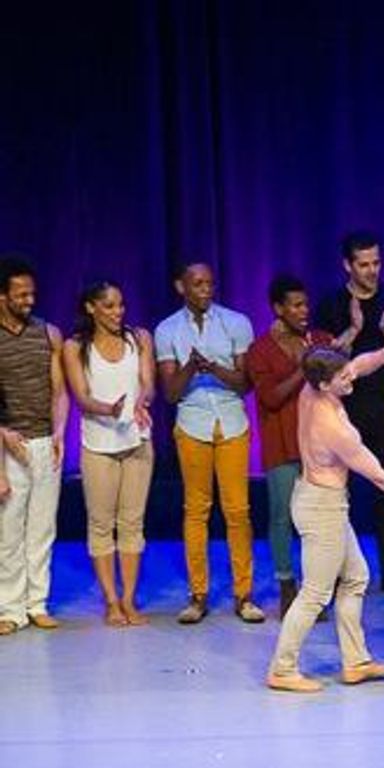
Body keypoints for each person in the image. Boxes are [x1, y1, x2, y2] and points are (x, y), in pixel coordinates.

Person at [266, 344, 384, 692]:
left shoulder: (311, 386)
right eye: (342, 377)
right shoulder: (335, 429)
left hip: (325, 502)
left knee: (355, 578)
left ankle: (356, 662)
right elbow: (379, 476)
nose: (350, 377)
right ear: (324, 385)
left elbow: (360, 365)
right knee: (316, 593)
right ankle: (282, 668)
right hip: (321, 507)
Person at [155, 260, 265, 624]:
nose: (205, 290)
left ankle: (244, 594)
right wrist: (190, 367)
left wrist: (214, 368)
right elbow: (170, 394)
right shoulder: (167, 330)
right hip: (192, 423)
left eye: (209, 284)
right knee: (196, 510)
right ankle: (198, 595)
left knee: (238, 511)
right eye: (197, 284)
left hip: (232, 422)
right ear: (180, 286)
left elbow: (245, 383)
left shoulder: (235, 322)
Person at [313, 231, 384, 597]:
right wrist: (355, 328)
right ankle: (337, 574)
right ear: (348, 265)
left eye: (376, 262)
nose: (372, 270)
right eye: (364, 264)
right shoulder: (330, 303)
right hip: (344, 410)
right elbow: (321, 362)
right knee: (338, 493)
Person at [61, 280, 155, 626]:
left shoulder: (139, 338)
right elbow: (81, 396)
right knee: (101, 523)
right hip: (98, 444)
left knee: (132, 522)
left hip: (138, 442)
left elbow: (148, 384)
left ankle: (129, 599)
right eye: (110, 306)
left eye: (121, 305)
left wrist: (142, 402)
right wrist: (108, 409)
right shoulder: (75, 347)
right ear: (91, 308)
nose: (119, 312)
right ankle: (111, 601)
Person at [246, 275, 335, 617]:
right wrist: (304, 367)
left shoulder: (320, 339)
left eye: (305, 304)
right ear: (278, 309)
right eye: (296, 305)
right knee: (283, 516)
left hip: (319, 446)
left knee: (320, 519)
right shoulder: (261, 350)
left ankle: (318, 588)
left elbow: (339, 373)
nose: (304, 311)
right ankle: (286, 585)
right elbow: (270, 397)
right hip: (282, 443)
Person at [0, 255, 67, 635]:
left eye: (32, 294)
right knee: (9, 528)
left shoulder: (48, 333)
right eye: (20, 294)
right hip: (8, 445)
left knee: (42, 528)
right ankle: (10, 608)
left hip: (44, 442)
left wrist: (59, 432)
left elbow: (59, 392)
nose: (28, 300)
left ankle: (36, 602)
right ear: (2, 296)